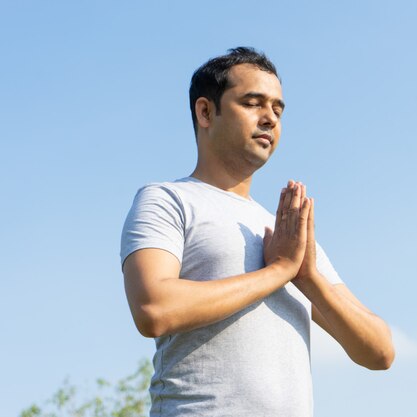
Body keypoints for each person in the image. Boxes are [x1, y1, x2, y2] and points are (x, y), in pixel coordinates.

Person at [120, 47, 394, 417]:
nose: (269, 119)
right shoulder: (168, 199)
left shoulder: (287, 235)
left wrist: (307, 276)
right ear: (205, 112)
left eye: (278, 109)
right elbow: (154, 308)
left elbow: (379, 351)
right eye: (253, 103)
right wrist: (277, 272)